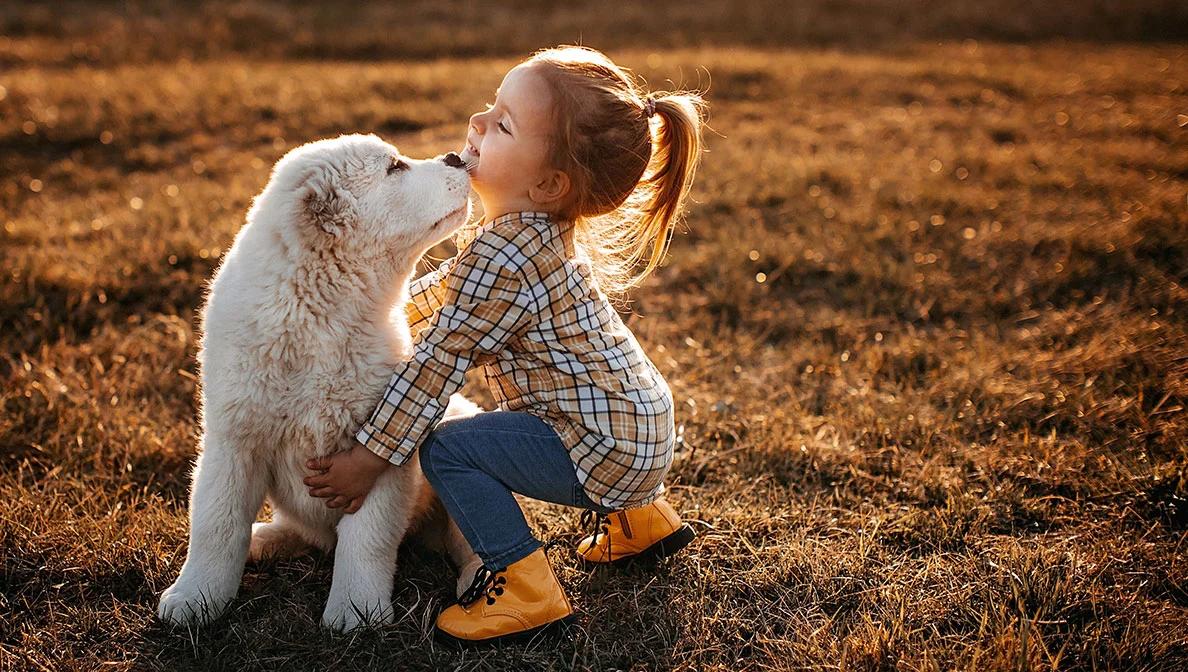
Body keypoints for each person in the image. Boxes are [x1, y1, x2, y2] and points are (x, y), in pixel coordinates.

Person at [302, 45, 706, 646]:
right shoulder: (533, 234)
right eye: (491, 107)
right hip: (640, 423)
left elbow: (436, 364)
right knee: (509, 430)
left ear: (547, 182)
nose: (478, 123)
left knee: (448, 450)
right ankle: (640, 519)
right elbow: (448, 294)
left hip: (606, 446)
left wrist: (370, 458)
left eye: (504, 124)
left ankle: (519, 581)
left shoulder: (503, 254)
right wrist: (368, 315)